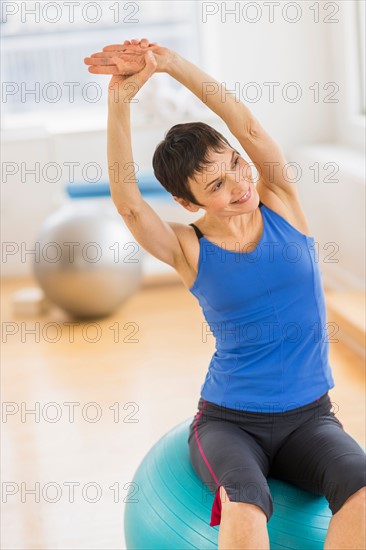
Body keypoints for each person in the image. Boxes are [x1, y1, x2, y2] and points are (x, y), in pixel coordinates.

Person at [84, 38, 366, 549]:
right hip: (231, 424)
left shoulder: (280, 201)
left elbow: (247, 123)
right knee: (247, 504)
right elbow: (127, 203)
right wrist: (119, 103)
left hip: (312, 419)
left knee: (363, 490)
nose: (238, 184)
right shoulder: (187, 248)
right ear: (184, 200)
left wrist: (170, 64)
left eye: (234, 164)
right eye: (215, 185)